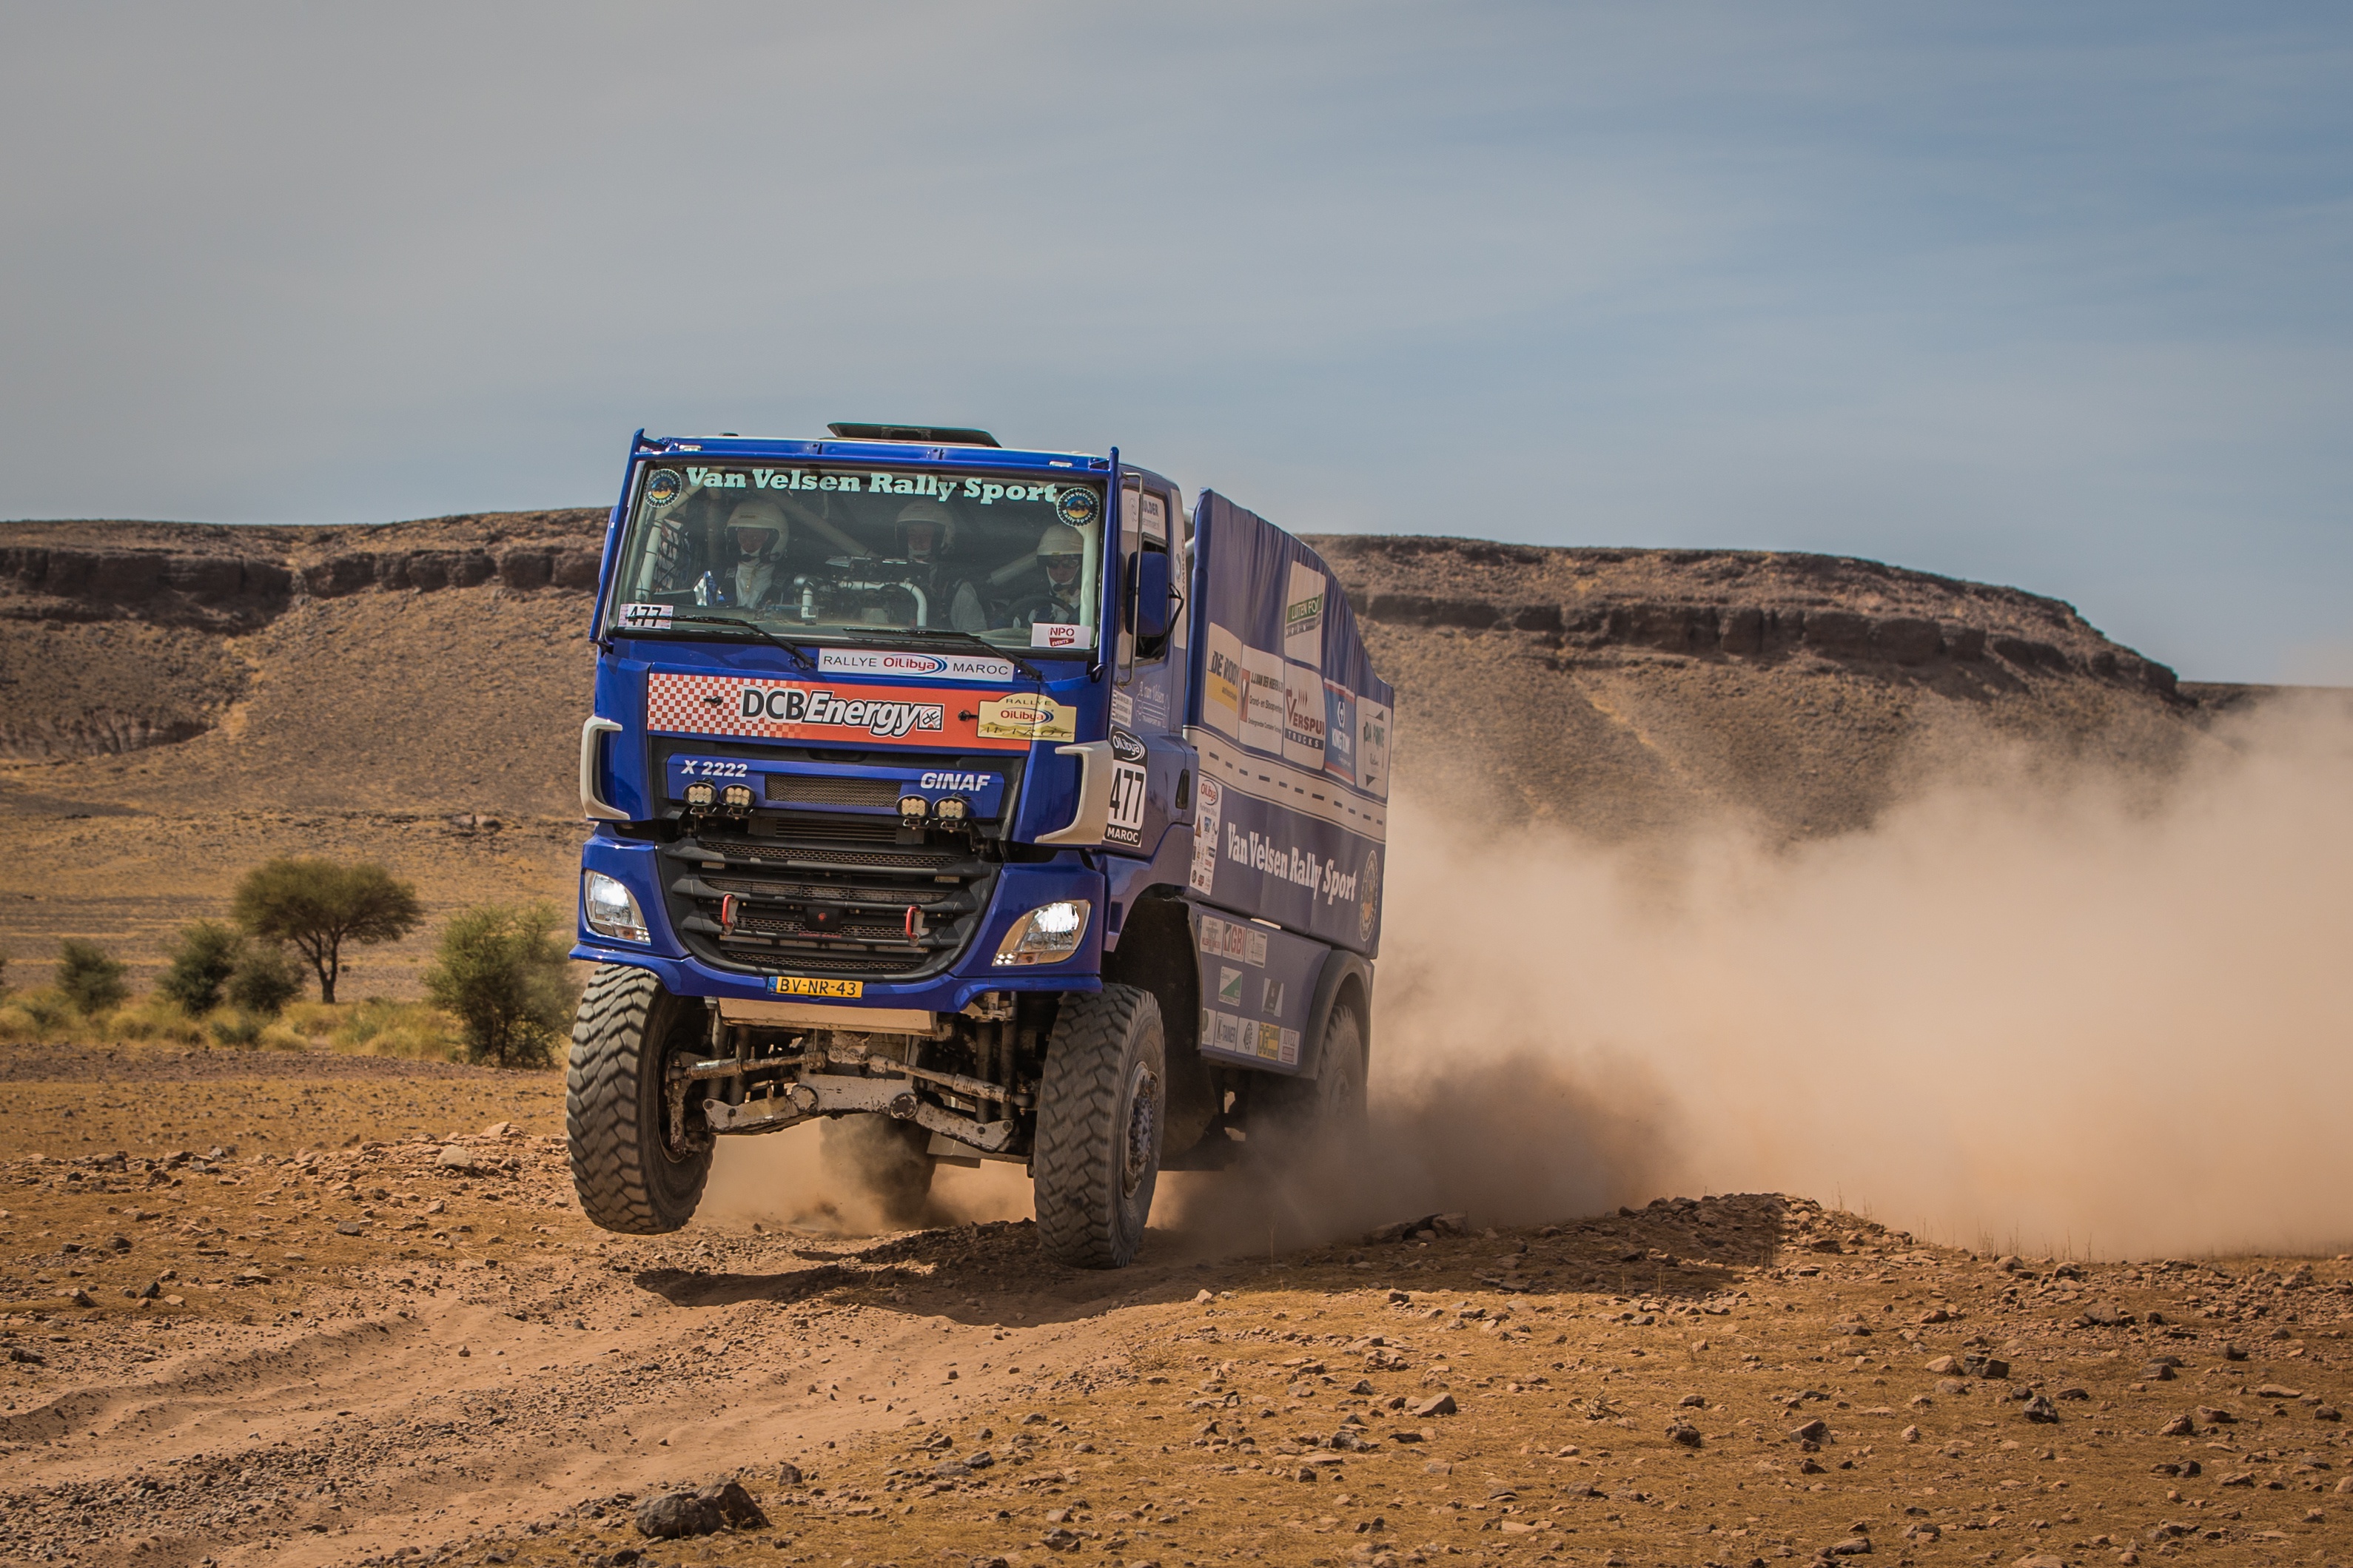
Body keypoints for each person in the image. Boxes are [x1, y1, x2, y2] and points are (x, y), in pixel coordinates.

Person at [892, 499, 987, 633]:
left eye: (926, 534)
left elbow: (977, 640)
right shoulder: (886, 580)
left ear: (942, 538)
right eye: (912, 534)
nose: (918, 541)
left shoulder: (956, 589)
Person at [1006, 522, 1088, 628]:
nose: (1060, 571)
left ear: (1082, 566)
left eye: (1069, 563)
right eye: (1053, 563)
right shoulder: (1030, 612)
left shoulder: (1095, 612)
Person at [723, 499, 791, 609]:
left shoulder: (791, 588)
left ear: (774, 541)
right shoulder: (711, 583)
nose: (748, 543)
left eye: (756, 537)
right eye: (744, 537)